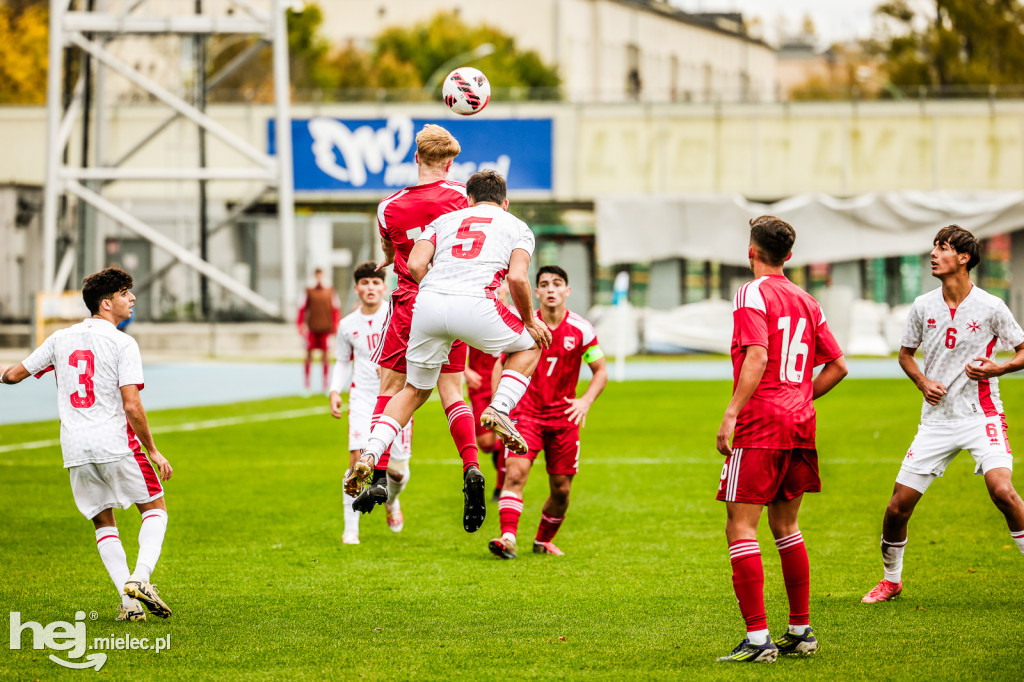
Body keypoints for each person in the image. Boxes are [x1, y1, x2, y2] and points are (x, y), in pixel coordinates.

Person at [346, 169, 552, 534]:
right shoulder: (516, 225)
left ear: (469, 199)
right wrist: (531, 320)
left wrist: (437, 292)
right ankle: (500, 408)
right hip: (477, 305)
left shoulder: (443, 221)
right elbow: (518, 278)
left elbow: (413, 265)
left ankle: (372, 452)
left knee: (412, 391)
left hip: (427, 304)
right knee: (532, 344)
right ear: (505, 202)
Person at [0, 267, 174, 622]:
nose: (132, 299)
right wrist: (153, 450)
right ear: (106, 303)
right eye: (126, 293)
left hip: (75, 447)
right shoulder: (123, 343)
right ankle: (140, 579)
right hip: (114, 441)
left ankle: (129, 606)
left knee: (103, 522)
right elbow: (131, 404)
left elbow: (12, 375)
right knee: (155, 508)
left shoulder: (60, 339)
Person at [862, 225, 1024, 604]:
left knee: (1002, 491)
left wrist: (996, 369)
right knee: (897, 508)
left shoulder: (991, 307)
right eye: (934, 247)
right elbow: (905, 354)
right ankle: (891, 580)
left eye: (944, 248)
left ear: (964, 258)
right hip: (936, 421)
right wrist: (922, 381)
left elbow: (1022, 350)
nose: (934, 254)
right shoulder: (922, 306)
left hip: (980, 414)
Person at [715, 216, 847, 663]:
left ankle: (756, 641)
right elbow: (838, 365)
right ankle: (801, 629)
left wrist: (731, 413)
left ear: (751, 251)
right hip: (800, 422)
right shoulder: (807, 299)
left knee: (741, 527)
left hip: (760, 424)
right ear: (788, 256)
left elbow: (757, 354)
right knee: (786, 526)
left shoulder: (752, 292)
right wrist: (797, 397)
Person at [357, 123, 478, 513]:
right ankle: (471, 466)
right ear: (450, 161)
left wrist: (392, 260)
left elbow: (390, 247)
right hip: (455, 301)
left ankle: (375, 473)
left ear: (416, 158)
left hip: (411, 302)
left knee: (389, 386)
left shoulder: (388, 206)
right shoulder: (465, 198)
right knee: (452, 391)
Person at [488, 265, 608, 559]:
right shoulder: (523, 326)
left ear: (567, 291)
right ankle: (508, 538)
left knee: (562, 490)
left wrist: (585, 402)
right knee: (515, 474)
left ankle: (543, 540)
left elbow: (600, 371)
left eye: (557, 284)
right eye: (544, 284)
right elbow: (499, 365)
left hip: (564, 420)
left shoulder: (581, 329)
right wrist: (498, 406)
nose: (551, 289)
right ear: (537, 292)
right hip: (525, 414)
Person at [329, 262, 413, 544]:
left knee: (397, 473)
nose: (370, 288)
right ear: (357, 289)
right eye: (364, 283)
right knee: (357, 462)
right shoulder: (347, 325)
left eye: (375, 283)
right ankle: (351, 528)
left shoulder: (398, 316)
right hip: (363, 399)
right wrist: (333, 390)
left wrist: (395, 367)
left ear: (384, 287)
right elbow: (342, 361)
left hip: (396, 398)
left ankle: (392, 501)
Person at [464, 281, 511, 501]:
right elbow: (452, 342)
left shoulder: (516, 317)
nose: (497, 292)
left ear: (508, 289)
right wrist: (466, 370)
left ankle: (501, 485)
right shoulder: (474, 316)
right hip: (481, 384)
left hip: (508, 384)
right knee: (486, 443)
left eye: (500, 288)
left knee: (504, 433)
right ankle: (498, 456)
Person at [297, 267, 341, 393]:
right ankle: (307, 385)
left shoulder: (330, 290)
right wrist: (300, 325)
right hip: (312, 328)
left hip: (326, 329)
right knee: (308, 356)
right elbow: (302, 308)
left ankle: (326, 385)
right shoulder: (309, 290)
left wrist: (335, 325)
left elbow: (335, 309)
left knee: (326, 357)